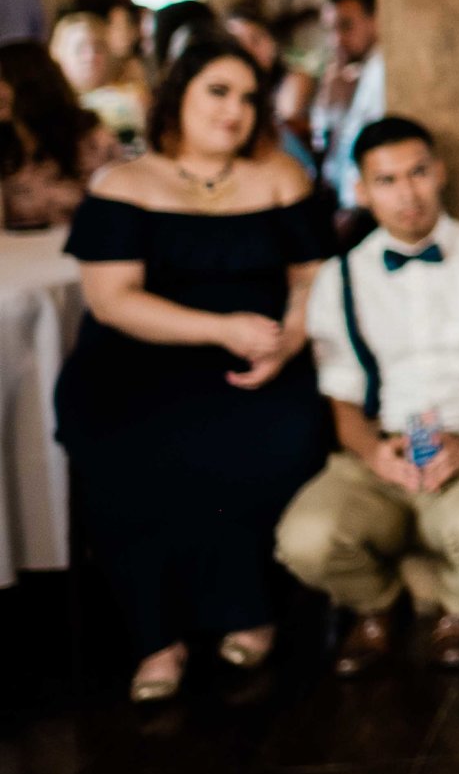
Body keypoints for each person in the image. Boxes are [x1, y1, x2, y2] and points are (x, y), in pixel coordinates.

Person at [53, 36, 331, 703]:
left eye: (246, 97)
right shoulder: (123, 183)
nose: (233, 109)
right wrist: (220, 328)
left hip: (258, 363)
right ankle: (156, 638)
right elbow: (111, 299)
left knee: (277, 434)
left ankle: (247, 607)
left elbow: (312, 277)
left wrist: (288, 341)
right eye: (217, 91)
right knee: (126, 447)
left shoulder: (279, 177)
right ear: (178, 95)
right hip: (136, 364)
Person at [277, 116, 459, 673]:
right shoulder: (340, 279)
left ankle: (458, 608)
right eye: (387, 180)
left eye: (417, 173)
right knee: (303, 539)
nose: (407, 193)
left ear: (439, 172)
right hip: (378, 452)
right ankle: (377, 606)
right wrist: (373, 452)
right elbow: (341, 395)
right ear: (363, 191)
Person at [0, 41, 113, 227]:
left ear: (27, 82)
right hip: (19, 254)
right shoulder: (7, 148)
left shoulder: (89, 141)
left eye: (2, 80)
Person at [311, 0, 385, 208]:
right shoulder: (350, 74)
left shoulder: (383, 71)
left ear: (375, 21)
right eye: (330, 30)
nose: (336, 40)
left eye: (346, 26)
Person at [221, 3, 319, 174]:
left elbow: (287, 122)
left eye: (255, 40)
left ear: (272, 43)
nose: (247, 50)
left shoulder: (295, 80)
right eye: (238, 43)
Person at [52, 10, 148, 144]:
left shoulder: (133, 99)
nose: (90, 56)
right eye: (80, 49)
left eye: (98, 47)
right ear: (58, 55)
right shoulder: (53, 109)